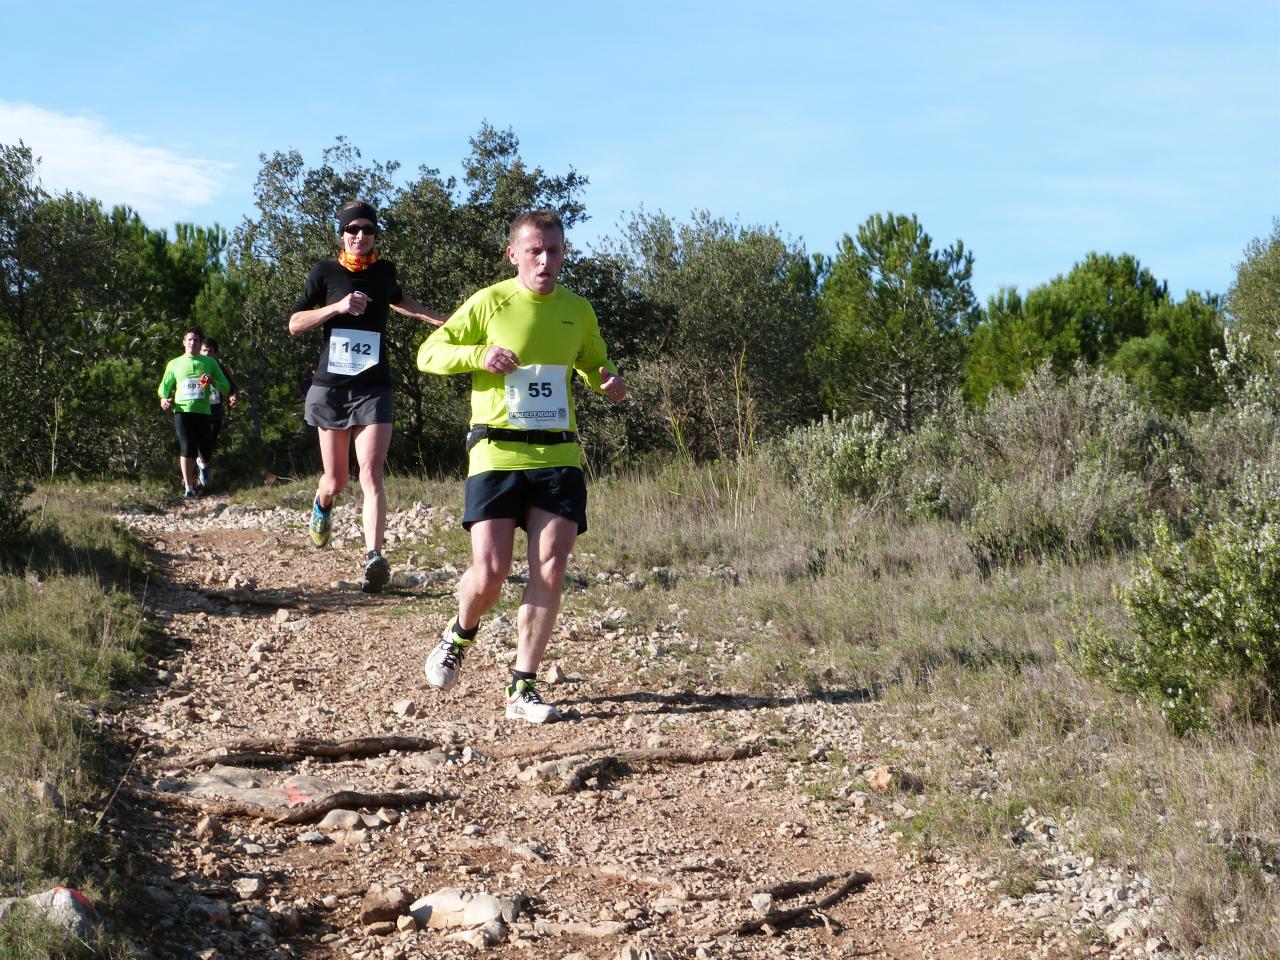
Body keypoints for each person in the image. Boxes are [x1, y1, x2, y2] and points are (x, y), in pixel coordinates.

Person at [417, 209, 627, 723]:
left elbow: (593, 358)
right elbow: (429, 353)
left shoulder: (577, 309)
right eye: (535, 250)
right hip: (496, 452)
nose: (545, 260)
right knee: (489, 573)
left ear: (564, 253)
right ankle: (459, 632)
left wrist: (608, 379)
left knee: (550, 568)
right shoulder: (490, 302)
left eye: (554, 250)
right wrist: (479, 356)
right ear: (514, 254)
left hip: (558, 453)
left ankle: (522, 687)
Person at [288, 200, 445, 593]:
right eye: (353, 230)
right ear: (341, 233)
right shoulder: (325, 272)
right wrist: (337, 307)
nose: (360, 236)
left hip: (374, 387)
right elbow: (294, 323)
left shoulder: (384, 272)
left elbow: (401, 301)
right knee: (337, 481)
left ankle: (374, 557)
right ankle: (322, 504)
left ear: (375, 235)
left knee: (372, 474)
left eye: (368, 230)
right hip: (331, 389)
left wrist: (441, 319)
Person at [158, 328, 234, 498]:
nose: (193, 343)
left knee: (205, 450)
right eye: (190, 340)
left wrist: (213, 381)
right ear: (184, 342)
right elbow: (164, 387)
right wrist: (164, 400)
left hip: (203, 412)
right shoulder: (174, 363)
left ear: (200, 344)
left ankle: (203, 467)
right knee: (187, 448)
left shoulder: (210, 363)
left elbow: (226, 386)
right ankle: (189, 488)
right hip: (182, 411)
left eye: (196, 340)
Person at [196, 337, 238, 489]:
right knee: (196, 441)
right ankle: (196, 475)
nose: (207, 354)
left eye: (210, 351)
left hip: (215, 408)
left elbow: (232, 387)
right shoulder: (195, 366)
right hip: (198, 408)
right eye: (204, 350)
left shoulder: (221, 368)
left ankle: (203, 465)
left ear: (216, 353)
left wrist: (233, 398)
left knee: (210, 440)